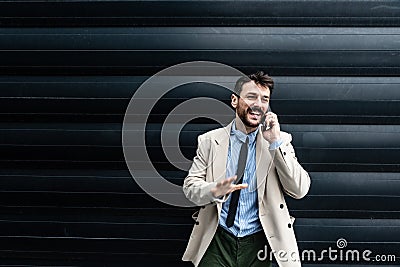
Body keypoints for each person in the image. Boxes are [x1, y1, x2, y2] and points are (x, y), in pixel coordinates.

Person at [181, 71, 311, 267]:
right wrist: (213, 190)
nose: (258, 104)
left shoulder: (279, 141)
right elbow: (190, 188)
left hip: (259, 242)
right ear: (235, 100)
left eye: (264, 99)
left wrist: (275, 142)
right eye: (251, 97)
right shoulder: (209, 141)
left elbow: (299, 190)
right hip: (217, 239)